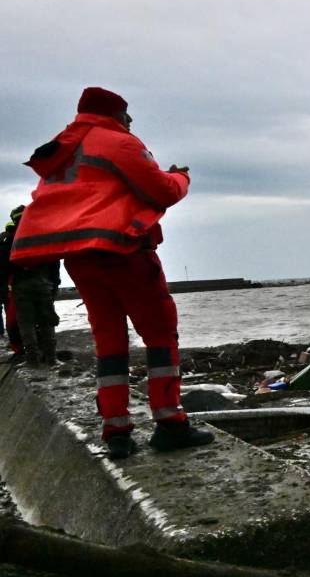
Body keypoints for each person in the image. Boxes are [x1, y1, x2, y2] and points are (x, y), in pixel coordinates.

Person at [11, 87, 213, 458]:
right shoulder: (118, 142)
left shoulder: (63, 151)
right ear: (116, 115)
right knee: (159, 334)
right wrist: (181, 177)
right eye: (127, 115)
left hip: (81, 257)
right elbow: (162, 191)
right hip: (124, 251)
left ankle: (116, 431)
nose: (131, 121)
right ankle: (170, 424)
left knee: (109, 342)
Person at [1, 205, 61, 365]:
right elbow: (54, 261)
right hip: (43, 284)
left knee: (25, 323)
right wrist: (54, 284)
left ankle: (32, 358)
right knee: (46, 320)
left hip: (20, 286)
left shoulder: (9, 240)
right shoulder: (42, 235)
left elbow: (3, 267)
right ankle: (51, 357)